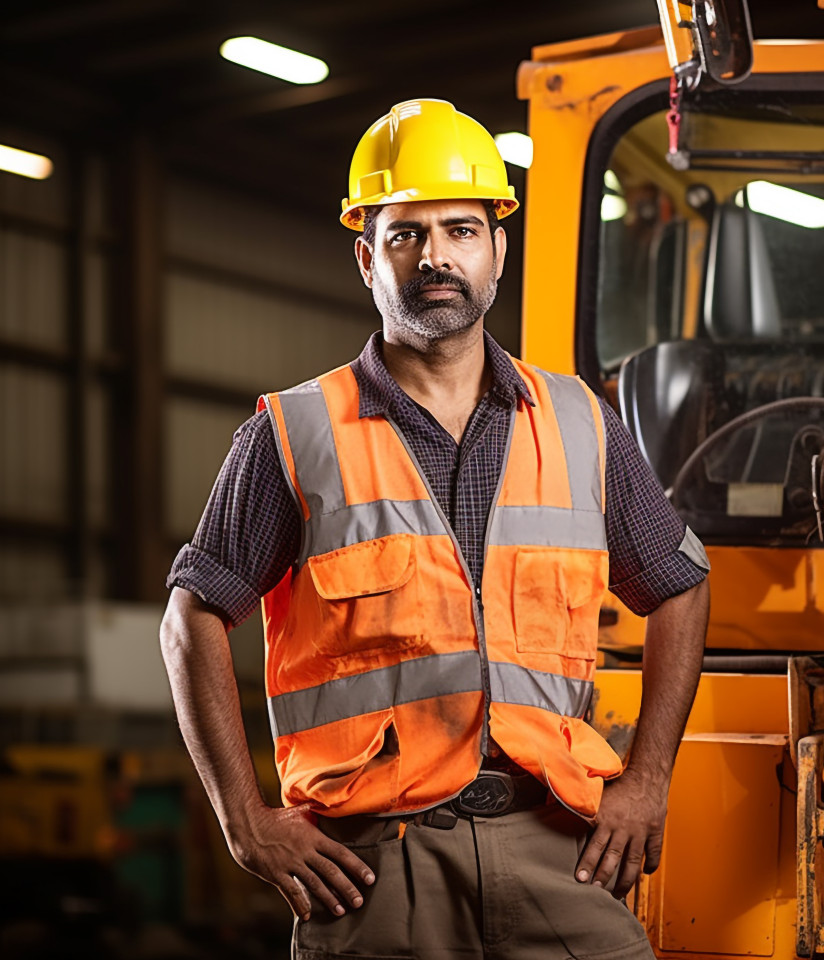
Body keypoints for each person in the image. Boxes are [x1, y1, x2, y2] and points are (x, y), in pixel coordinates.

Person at [160, 98, 710, 960]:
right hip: (376, 869)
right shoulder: (296, 433)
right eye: (405, 234)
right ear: (366, 257)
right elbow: (190, 619)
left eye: (460, 230)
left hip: (556, 846)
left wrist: (647, 781)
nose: (435, 257)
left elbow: (680, 586)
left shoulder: (580, 423)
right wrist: (245, 821)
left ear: (498, 249)